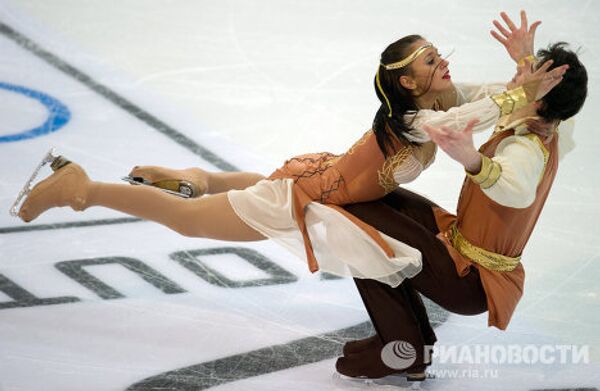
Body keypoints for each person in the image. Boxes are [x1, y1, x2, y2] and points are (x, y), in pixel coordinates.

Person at [16, 31, 564, 289]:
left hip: (319, 176)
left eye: (439, 55)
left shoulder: (443, 99)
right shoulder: (419, 121)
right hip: (306, 195)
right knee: (187, 222)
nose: (442, 62)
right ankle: (81, 188)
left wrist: (525, 70)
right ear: (407, 82)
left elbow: (498, 97)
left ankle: (192, 178)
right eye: (429, 61)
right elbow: (485, 112)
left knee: (240, 193)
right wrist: (521, 90)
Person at [335, 33, 588, 382]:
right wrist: (526, 61)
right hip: (462, 245)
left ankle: (398, 349)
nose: (518, 84)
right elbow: (535, 100)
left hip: (470, 278)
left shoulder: (525, 147)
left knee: (357, 223)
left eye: (531, 84)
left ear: (542, 100)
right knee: (370, 204)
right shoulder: (551, 122)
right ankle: (410, 343)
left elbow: (518, 191)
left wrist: (472, 159)